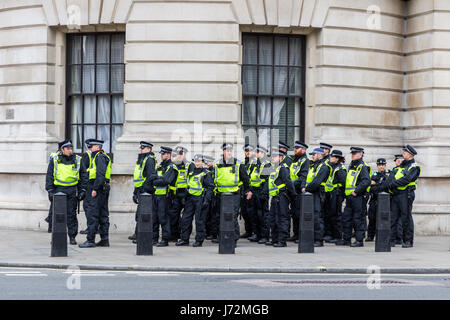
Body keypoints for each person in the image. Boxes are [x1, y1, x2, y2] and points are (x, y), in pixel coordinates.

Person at [45, 140, 87, 245]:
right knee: (57, 216)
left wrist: (82, 190)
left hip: (72, 190)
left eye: (71, 148)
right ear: (62, 150)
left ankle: (72, 237)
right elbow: (49, 176)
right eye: (68, 148)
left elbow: (84, 176)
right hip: (58, 190)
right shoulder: (54, 160)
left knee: (71, 215)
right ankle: (56, 237)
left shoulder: (78, 159)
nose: (70, 150)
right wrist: (50, 190)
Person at [213, 143, 252, 246]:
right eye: (227, 150)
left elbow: (246, 179)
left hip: (234, 194)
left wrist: (248, 191)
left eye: (230, 151)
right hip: (221, 194)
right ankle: (222, 237)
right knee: (220, 216)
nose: (229, 152)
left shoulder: (238, 164)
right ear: (223, 152)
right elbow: (214, 178)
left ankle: (233, 239)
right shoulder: (217, 164)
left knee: (232, 216)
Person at [385, 145, 421, 248]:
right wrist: (390, 185)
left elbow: (407, 179)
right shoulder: (401, 166)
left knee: (406, 218)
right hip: (396, 194)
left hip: (406, 194)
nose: (403, 154)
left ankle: (408, 241)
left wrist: (393, 184)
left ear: (410, 155)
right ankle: (391, 240)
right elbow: (393, 176)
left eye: (405, 153)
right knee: (393, 217)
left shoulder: (414, 167)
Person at [79, 139, 111, 248]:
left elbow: (100, 174)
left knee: (93, 214)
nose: (90, 149)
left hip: (98, 188)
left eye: (91, 146)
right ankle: (104, 240)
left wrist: (95, 189)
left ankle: (90, 240)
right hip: (102, 188)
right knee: (103, 214)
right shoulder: (99, 156)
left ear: (97, 147)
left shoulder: (99, 157)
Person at [176, 154, 214, 247]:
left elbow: (210, 187)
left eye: (199, 161)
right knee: (185, 219)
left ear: (203, 162)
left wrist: (206, 200)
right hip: (190, 199)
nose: (197, 163)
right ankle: (184, 239)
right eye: (195, 161)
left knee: (199, 220)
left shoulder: (206, 173)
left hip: (200, 199)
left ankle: (199, 240)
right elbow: (189, 186)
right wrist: (185, 197)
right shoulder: (191, 172)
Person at [339, 147, 371, 247]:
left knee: (358, 219)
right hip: (350, 197)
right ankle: (346, 239)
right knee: (347, 218)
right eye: (352, 153)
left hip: (358, 197)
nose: (352, 155)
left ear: (360, 155)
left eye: (355, 153)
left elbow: (366, 181)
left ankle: (359, 240)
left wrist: (356, 191)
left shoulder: (362, 166)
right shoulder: (352, 165)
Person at [266, 148, 297, 247]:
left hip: (282, 196)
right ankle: (274, 239)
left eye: (275, 157)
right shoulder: (274, 168)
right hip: (275, 196)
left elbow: (288, 182)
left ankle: (282, 240)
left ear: (280, 157)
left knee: (282, 218)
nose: (272, 159)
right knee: (273, 218)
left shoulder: (283, 168)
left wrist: (293, 195)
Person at [129, 141, 157, 244]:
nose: (141, 150)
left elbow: (150, 176)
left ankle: (140, 235)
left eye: (144, 148)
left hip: (146, 191)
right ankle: (137, 233)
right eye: (141, 148)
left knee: (143, 214)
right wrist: (135, 191)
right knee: (139, 214)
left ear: (149, 149)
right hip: (140, 189)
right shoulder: (142, 159)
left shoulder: (149, 159)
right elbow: (138, 177)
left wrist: (144, 188)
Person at [151, 146, 178, 247]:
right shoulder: (159, 166)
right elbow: (151, 178)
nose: (161, 156)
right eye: (161, 154)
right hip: (156, 195)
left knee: (163, 218)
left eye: (163, 154)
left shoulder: (171, 167)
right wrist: (158, 179)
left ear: (168, 155)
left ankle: (165, 239)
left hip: (165, 196)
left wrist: (156, 179)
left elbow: (166, 181)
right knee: (154, 218)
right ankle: (154, 238)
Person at [303, 147, 331, 247]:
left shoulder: (323, 167)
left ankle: (319, 239)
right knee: (312, 216)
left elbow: (317, 182)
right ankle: (314, 238)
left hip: (318, 194)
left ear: (319, 155)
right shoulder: (314, 166)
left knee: (317, 216)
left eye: (314, 154)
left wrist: (306, 189)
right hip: (311, 193)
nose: (312, 156)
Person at [247, 145, 272, 243]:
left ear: (263, 153)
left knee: (263, 215)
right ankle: (257, 234)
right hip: (254, 191)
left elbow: (267, 180)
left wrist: (264, 193)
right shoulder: (255, 163)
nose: (256, 154)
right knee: (254, 214)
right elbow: (250, 178)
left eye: (258, 152)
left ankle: (264, 236)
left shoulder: (266, 164)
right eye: (256, 152)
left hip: (261, 191)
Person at [287, 141, 310, 242]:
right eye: (295, 148)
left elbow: (303, 176)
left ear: (303, 150)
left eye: (298, 148)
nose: (295, 149)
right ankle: (295, 234)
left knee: (299, 213)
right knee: (294, 213)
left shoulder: (305, 161)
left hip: (299, 190)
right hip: (293, 191)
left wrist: (292, 184)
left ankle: (300, 235)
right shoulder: (295, 160)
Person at [322, 150, 347, 243]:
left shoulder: (340, 169)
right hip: (330, 194)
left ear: (337, 159)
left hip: (336, 194)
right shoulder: (331, 166)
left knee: (336, 215)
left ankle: (337, 236)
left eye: (332, 157)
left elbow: (344, 184)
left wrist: (341, 196)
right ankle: (329, 234)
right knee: (328, 214)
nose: (330, 158)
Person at [168, 146, 192, 242]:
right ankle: (174, 235)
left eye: (181, 154)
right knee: (173, 216)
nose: (179, 156)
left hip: (187, 195)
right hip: (175, 194)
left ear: (184, 154)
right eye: (178, 154)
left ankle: (185, 238)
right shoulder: (173, 165)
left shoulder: (190, 165)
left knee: (186, 218)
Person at [365, 158, 389, 241]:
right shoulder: (374, 175)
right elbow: (370, 188)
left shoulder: (387, 176)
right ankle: (370, 236)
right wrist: (378, 186)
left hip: (383, 201)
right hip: (373, 200)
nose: (381, 167)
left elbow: (385, 188)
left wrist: (376, 185)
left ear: (385, 165)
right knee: (372, 218)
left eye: (382, 165)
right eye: (379, 165)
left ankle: (381, 236)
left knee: (382, 219)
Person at [240, 144, 256, 239]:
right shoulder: (243, 162)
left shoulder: (255, 162)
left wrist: (250, 190)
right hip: (243, 190)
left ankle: (254, 232)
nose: (247, 153)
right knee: (245, 212)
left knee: (252, 213)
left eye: (249, 151)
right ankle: (248, 231)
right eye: (246, 151)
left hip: (251, 190)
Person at [79, 139, 95, 235]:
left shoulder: (86, 155)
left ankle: (90, 228)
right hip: (96, 184)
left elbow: (83, 171)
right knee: (95, 207)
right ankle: (94, 227)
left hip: (89, 183)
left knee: (87, 206)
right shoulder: (101, 155)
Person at [44, 148, 61, 233]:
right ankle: (51, 224)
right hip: (56, 186)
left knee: (53, 207)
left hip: (54, 185)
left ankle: (50, 224)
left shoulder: (53, 155)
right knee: (54, 207)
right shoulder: (56, 157)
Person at [202, 155, 218, 241]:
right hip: (207, 195)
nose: (206, 164)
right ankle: (207, 232)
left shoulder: (214, 170)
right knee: (207, 215)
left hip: (214, 195)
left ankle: (213, 233)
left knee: (213, 215)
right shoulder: (206, 171)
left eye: (207, 162)